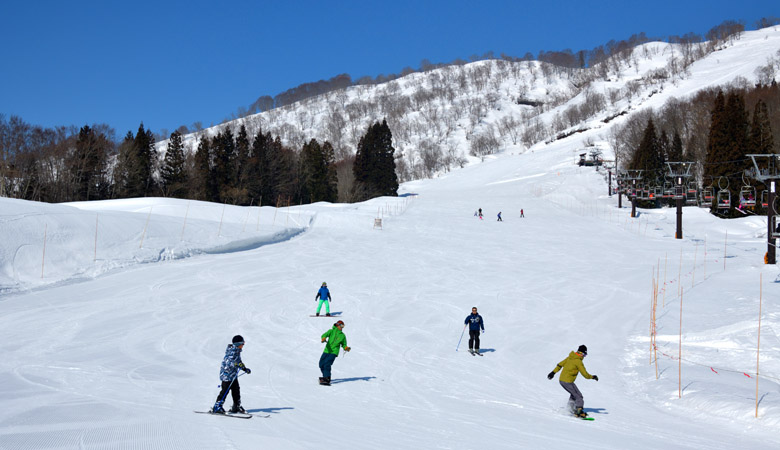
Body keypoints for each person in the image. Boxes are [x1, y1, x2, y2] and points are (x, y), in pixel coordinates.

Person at [547, 345, 598, 418]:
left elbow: (559, 365)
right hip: (566, 381)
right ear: (581, 353)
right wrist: (593, 377)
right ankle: (578, 411)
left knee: (575, 394)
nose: (584, 357)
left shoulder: (570, 357)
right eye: (584, 355)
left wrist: (553, 372)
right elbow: (585, 375)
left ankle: (570, 408)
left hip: (566, 381)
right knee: (578, 396)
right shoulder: (578, 361)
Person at [212, 335, 251, 414]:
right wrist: (236, 364)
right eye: (242, 343)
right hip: (226, 375)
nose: (243, 345)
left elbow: (238, 362)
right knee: (225, 391)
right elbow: (228, 362)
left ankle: (236, 406)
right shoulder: (231, 351)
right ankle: (217, 406)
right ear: (237, 344)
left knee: (236, 390)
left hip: (233, 375)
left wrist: (244, 368)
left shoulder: (237, 351)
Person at [319, 320, 350, 385]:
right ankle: (327, 376)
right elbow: (324, 335)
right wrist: (323, 338)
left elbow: (344, 344)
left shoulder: (342, 335)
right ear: (337, 325)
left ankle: (326, 378)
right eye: (341, 326)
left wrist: (346, 348)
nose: (342, 327)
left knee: (327, 364)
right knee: (321, 364)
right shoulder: (331, 331)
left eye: (343, 326)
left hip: (334, 352)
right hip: (327, 350)